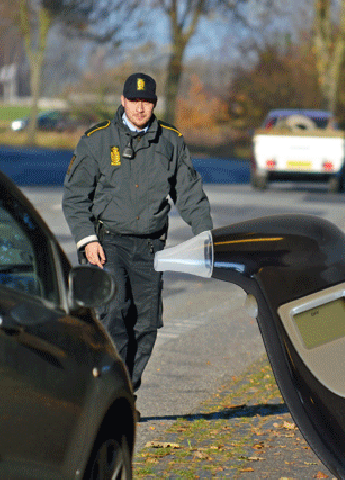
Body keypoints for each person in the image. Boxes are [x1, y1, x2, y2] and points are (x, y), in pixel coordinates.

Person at [62, 72, 213, 410]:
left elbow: (189, 193)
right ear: (123, 101)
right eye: (135, 101)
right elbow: (75, 196)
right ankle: (105, 395)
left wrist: (206, 238)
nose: (141, 108)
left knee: (145, 325)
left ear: (154, 105)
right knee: (114, 314)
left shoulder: (170, 141)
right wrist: (87, 240)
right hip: (107, 244)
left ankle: (125, 394)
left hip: (149, 248)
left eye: (147, 102)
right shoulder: (98, 140)